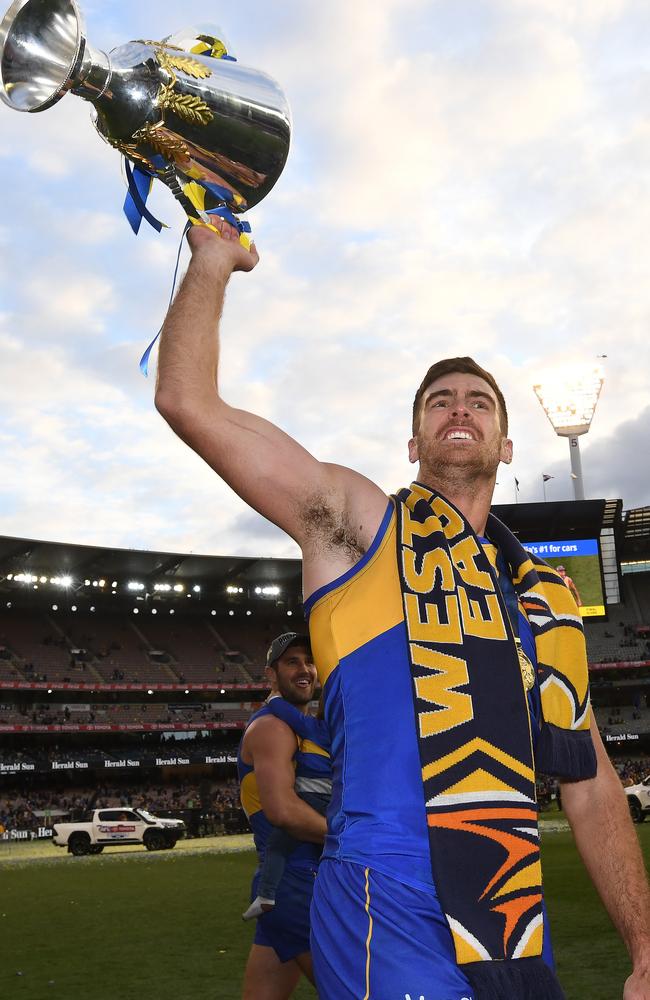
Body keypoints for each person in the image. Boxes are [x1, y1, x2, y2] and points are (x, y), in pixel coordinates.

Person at [155, 220, 650, 1000]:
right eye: (440, 400)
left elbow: (590, 787)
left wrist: (645, 951)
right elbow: (188, 401)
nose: (461, 407)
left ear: (507, 444)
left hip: (508, 923)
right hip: (383, 900)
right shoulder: (357, 524)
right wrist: (212, 262)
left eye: (481, 401)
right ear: (415, 441)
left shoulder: (545, 608)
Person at [237, 632, 326, 1000]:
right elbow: (283, 811)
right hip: (295, 884)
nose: (304, 669)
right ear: (270, 674)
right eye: (292, 662)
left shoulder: (299, 727)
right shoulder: (273, 728)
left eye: (309, 660)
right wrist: (353, 837)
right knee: (357, 990)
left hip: (290, 885)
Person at [243, 687, 331, 921]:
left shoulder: (315, 728)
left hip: (310, 796)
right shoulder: (349, 735)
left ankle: (266, 896)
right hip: (333, 801)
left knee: (278, 845)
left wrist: (274, 698)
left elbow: (290, 714)